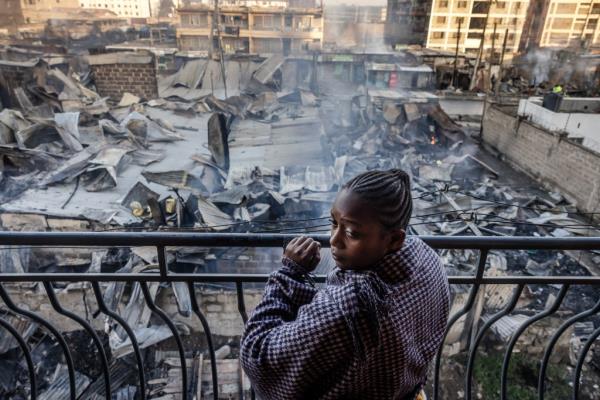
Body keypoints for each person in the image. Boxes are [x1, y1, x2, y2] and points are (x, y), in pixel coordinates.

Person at [240, 169, 450, 400]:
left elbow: (257, 357)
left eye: (351, 232)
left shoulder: (349, 309)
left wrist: (288, 274)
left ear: (393, 239)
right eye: (333, 223)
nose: (333, 240)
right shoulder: (428, 259)